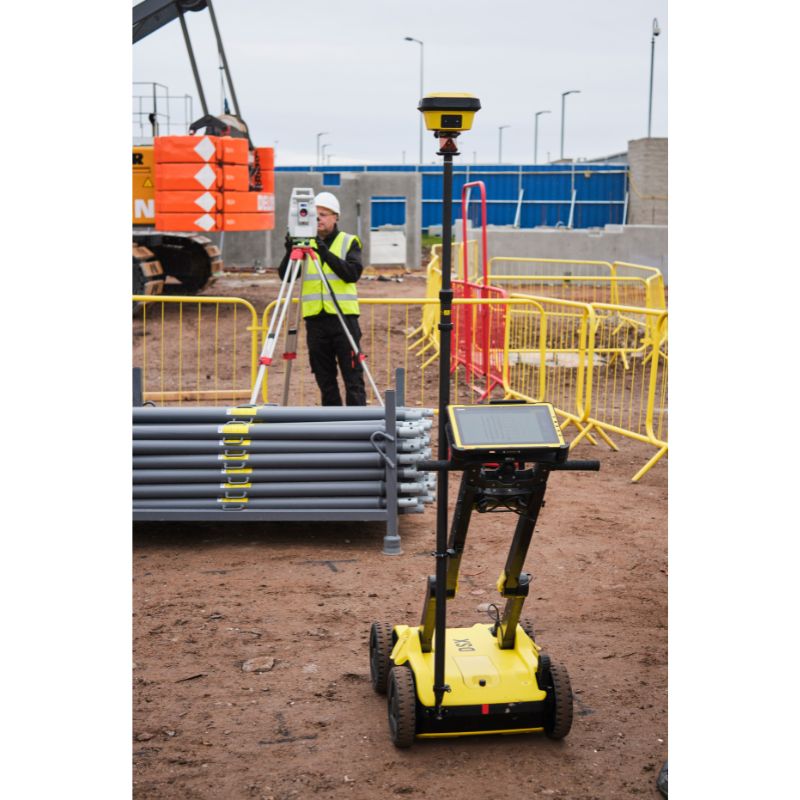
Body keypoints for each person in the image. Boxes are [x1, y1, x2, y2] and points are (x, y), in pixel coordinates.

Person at [278, 191, 367, 406]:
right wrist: (290, 249)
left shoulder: (348, 241)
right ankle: (332, 420)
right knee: (324, 377)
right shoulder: (304, 245)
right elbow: (286, 276)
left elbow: (352, 273)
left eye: (324, 215)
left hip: (343, 318)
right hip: (315, 320)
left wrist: (323, 251)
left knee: (352, 376)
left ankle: (357, 420)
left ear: (336, 217)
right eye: (315, 215)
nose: (318, 219)